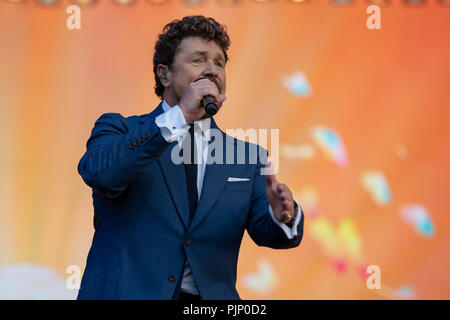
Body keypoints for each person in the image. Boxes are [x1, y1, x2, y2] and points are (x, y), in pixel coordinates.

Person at [77, 15, 304, 300]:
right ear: (164, 74)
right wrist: (180, 117)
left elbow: (270, 234)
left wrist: (283, 215)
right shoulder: (119, 129)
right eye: (198, 60)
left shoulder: (248, 157)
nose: (212, 70)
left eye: (219, 62)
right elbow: (101, 174)